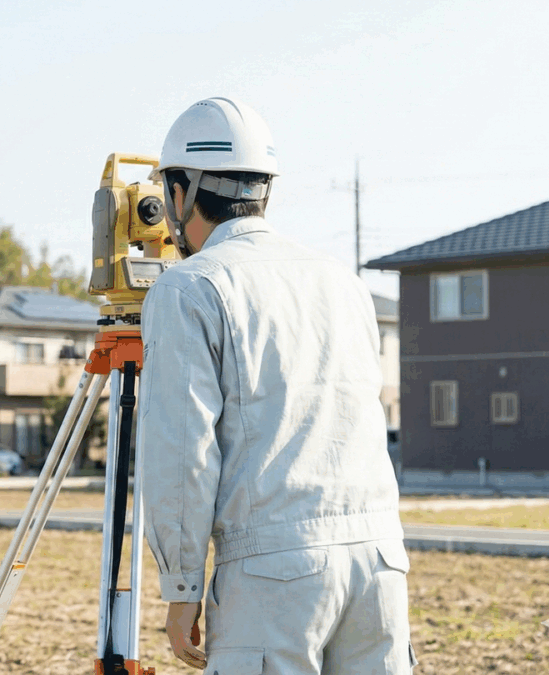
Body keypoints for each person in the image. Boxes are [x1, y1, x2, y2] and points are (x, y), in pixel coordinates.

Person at [139, 97, 414, 673]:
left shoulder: (190, 287)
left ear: (182, 192)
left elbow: (181, 451)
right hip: (379, 563)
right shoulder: (343, 281)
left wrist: (182, 586)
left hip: (274, 575)